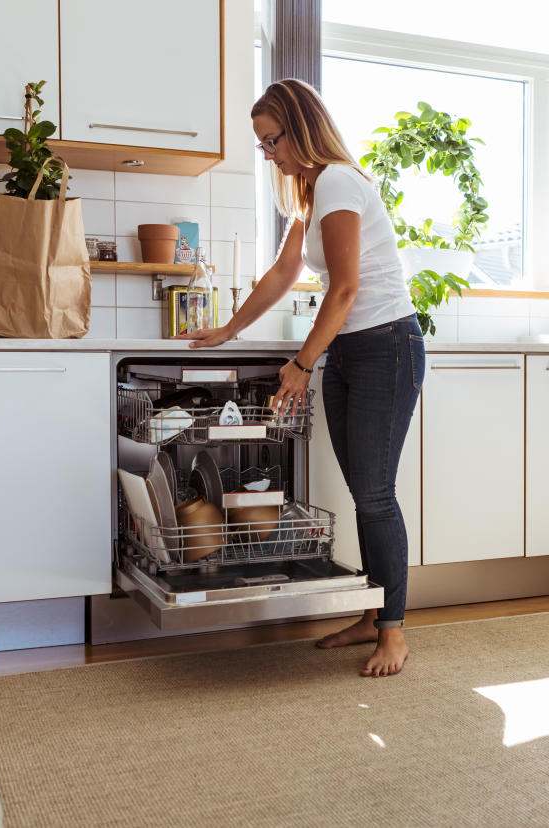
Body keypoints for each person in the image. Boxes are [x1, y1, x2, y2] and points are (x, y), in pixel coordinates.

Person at [182, 79, 425, 678]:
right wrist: (229, 330)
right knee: (365, 492)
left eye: (271, 140)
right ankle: (372, 615)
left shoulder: (341, 180)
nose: (268, 154)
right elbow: (284, 271)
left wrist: (302, 363)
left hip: (385, 347)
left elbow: (344, 287)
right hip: (350, 349)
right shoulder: (314, 195)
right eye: (262, 144)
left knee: (375, 494)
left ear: (301, 127)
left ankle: (393, 631)